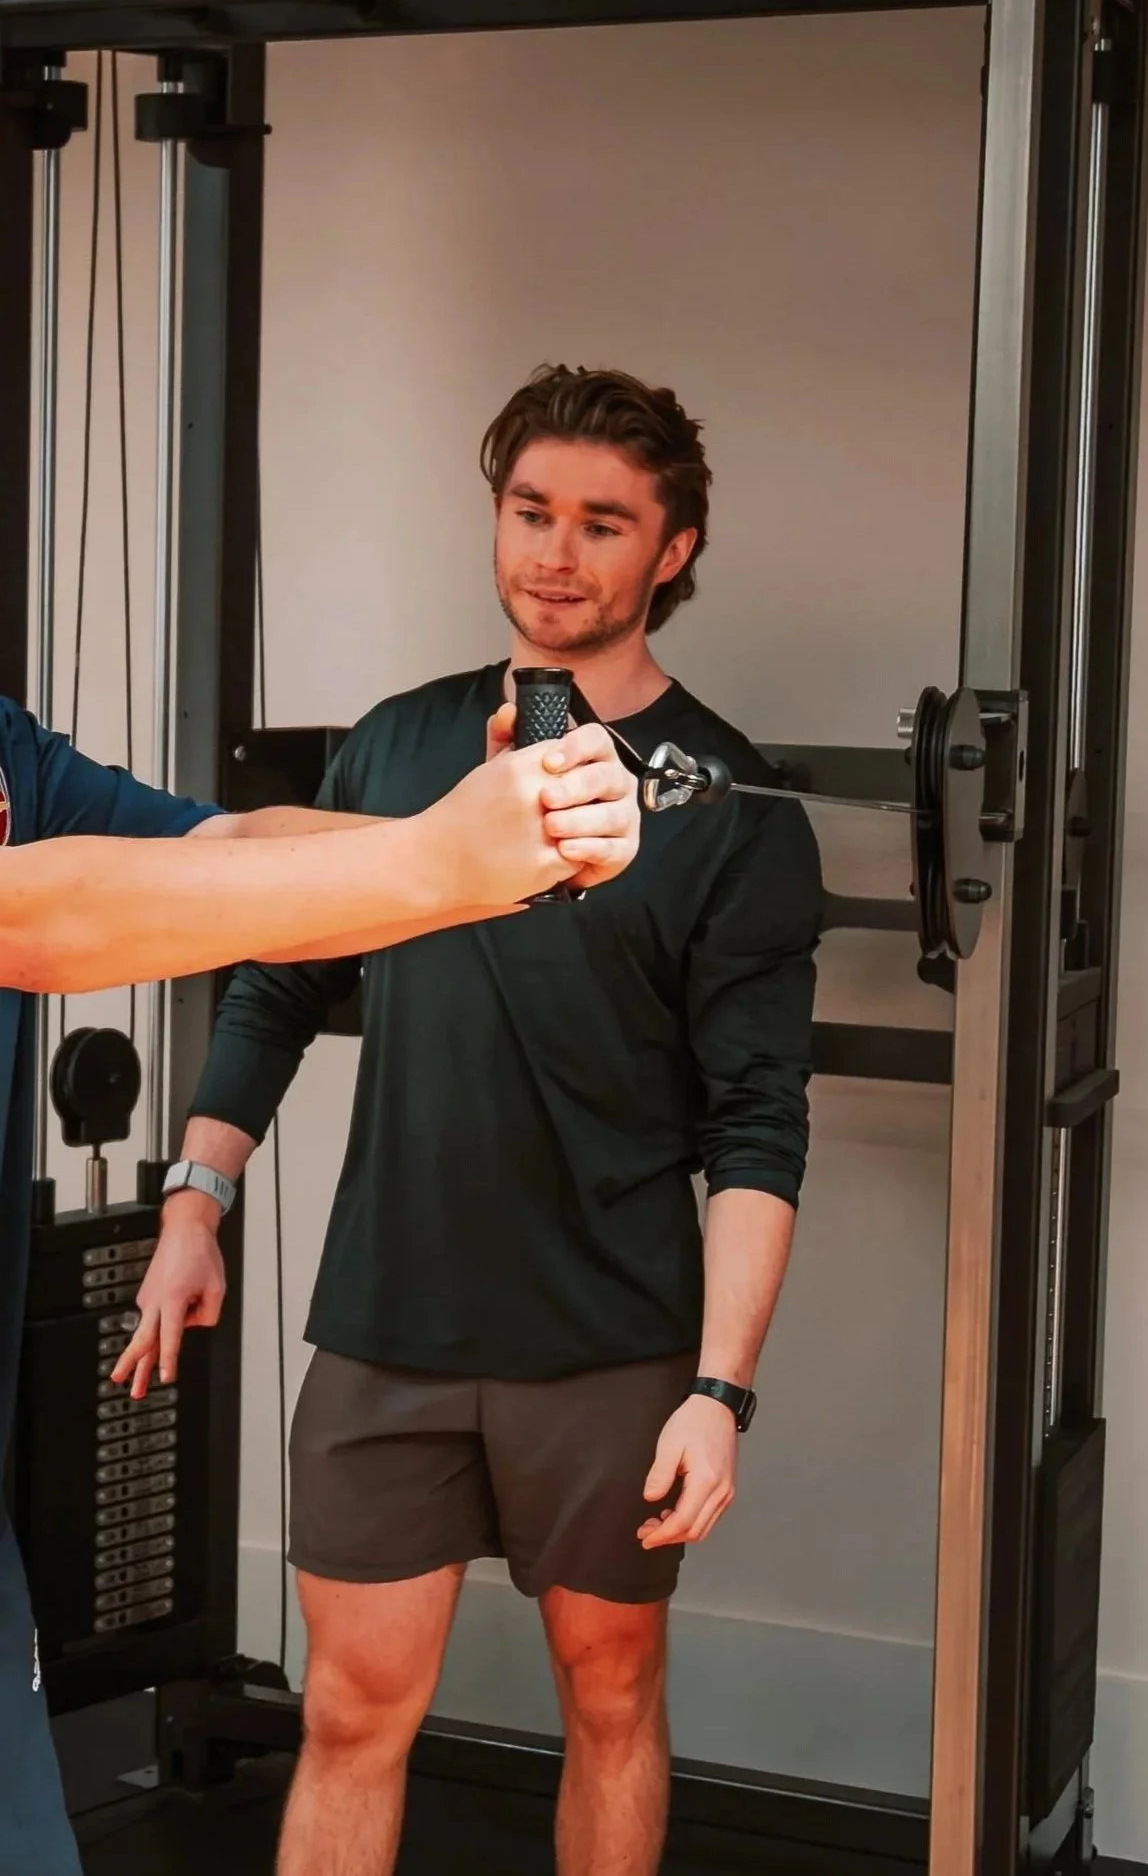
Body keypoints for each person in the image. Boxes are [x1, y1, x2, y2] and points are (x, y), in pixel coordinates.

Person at [124, 365, 824, 1876]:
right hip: (391, 1328)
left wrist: (722, 1388)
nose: (555, 554)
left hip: (612, 1342)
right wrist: (196, 1201)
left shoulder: (732, 810)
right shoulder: (392, 746)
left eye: (600, 522)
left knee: (611, 1696)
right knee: (354, 1712)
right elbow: (274, 987)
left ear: (672, 550)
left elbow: (760, 1130)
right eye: (529, 512)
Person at [0, 692, 640, 1876]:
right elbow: (32, 918)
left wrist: (493, 851)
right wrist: (435, 858)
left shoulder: (8, 746)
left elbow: (215, 854)